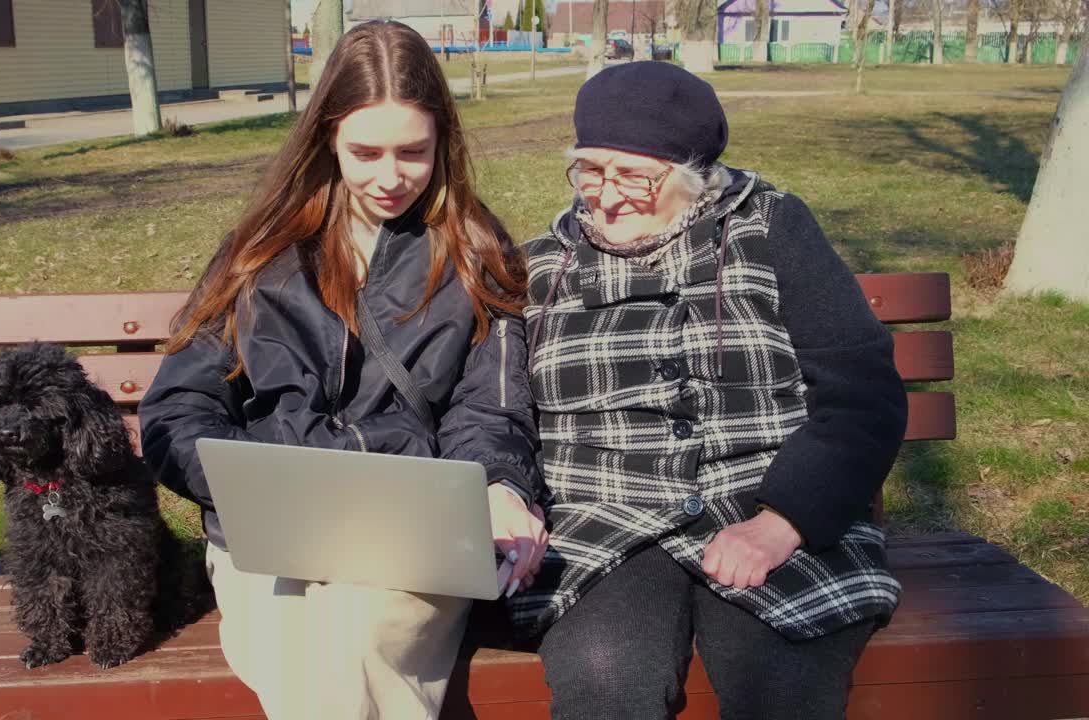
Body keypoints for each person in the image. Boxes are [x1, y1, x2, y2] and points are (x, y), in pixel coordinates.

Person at [138, 21, 546, 720]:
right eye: (366, 151)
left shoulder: (474, 250)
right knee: (314, 648)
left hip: (413, 534)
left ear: (444, 139)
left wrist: (503, 488)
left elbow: (491, 408)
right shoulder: (261, 253)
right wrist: (250, 484)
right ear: (326, 136)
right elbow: (178, 409)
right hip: (269, 538)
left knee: (352, 643)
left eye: (414, 152)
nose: (391, 178)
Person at [512, 61, 909, 720]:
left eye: (633, 176)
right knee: (605, 679)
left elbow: (861, 388)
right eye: (589, 170)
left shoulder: (768, 228)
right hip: (604, 523)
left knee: (782, 684)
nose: (605, 198)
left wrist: (786, 523)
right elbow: (499, 413)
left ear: (694, 177)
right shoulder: (544, 266)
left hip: (762, 506)